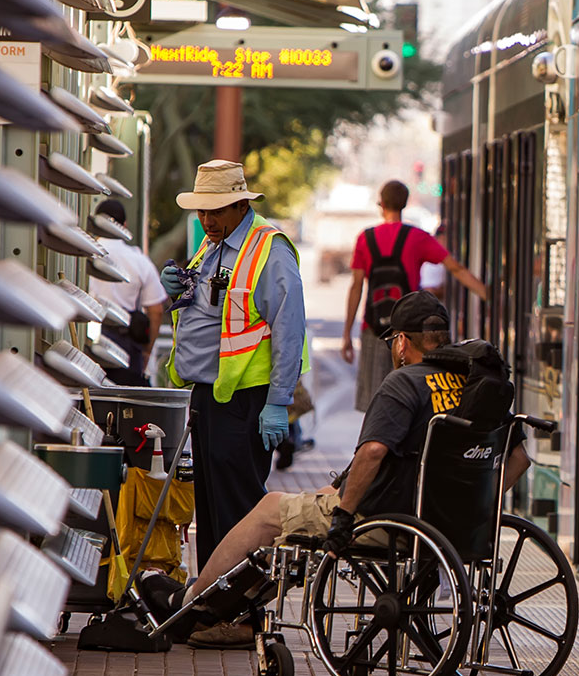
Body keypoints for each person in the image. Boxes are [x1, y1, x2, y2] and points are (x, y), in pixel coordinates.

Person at [169, 292, 530, 647]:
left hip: (389, 521)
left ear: (402, 342)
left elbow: (373, 452)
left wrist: (343, 516)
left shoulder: (404, 382)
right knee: (309, 508)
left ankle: (187, 603)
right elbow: (519, 459)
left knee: (269, 509)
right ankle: (228, 614)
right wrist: (474, 507)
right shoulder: (475, 385)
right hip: (446, 526)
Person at [160, 159, 309, 578]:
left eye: (216, 210)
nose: (207, 220)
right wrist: (178, 290)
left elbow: (290, 329)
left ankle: (241, 602)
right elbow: (212, 311)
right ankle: (211, 597)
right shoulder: (214, 245)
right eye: (201, 211)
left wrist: (278, 402)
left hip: (247, 402)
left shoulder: (269, 250)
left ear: (242, 205)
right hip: (210, 397)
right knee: (211, 509)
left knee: (239, 513)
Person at [341, 181, 489, 411]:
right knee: (410, 396)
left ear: (382, 204)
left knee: (375, 402)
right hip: (410, 334)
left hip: (373, 329)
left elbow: (356, 287)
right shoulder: (417, 237)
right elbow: (455, 268)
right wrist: (487, 295)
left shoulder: (365, 239)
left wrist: (347, 334)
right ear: (404, 204)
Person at [87, 199, 165, 386]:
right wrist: (147, 351)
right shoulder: (139, 261)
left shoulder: (86, 255)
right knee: (125, 399)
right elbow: (156, 310)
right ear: (125, 225)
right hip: (127, 342)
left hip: (89, 336)